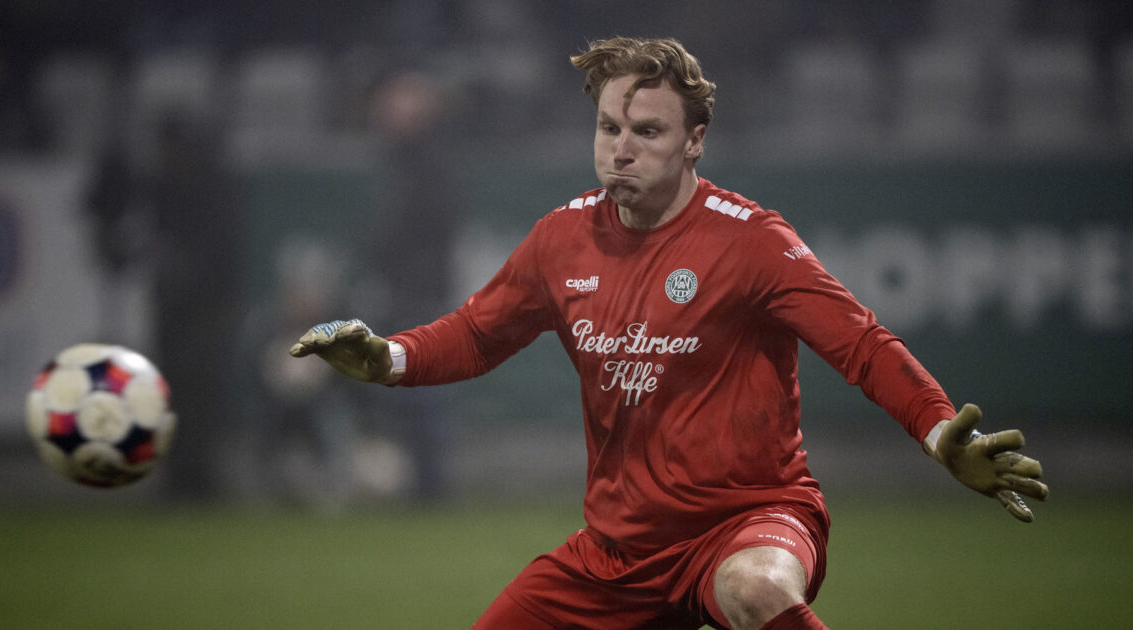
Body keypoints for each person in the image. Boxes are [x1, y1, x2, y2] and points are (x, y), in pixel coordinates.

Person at [289, 37, 1048, 630]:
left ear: (694, 141)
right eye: (609, 127)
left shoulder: (751, 240)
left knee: (754, 589)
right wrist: (388, 358)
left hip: (749, 522)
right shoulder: (561, 240)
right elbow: (477, 334)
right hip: (617, 553)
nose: (621, 146)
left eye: (647, 131)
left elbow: (861, 343)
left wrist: (938, 429)